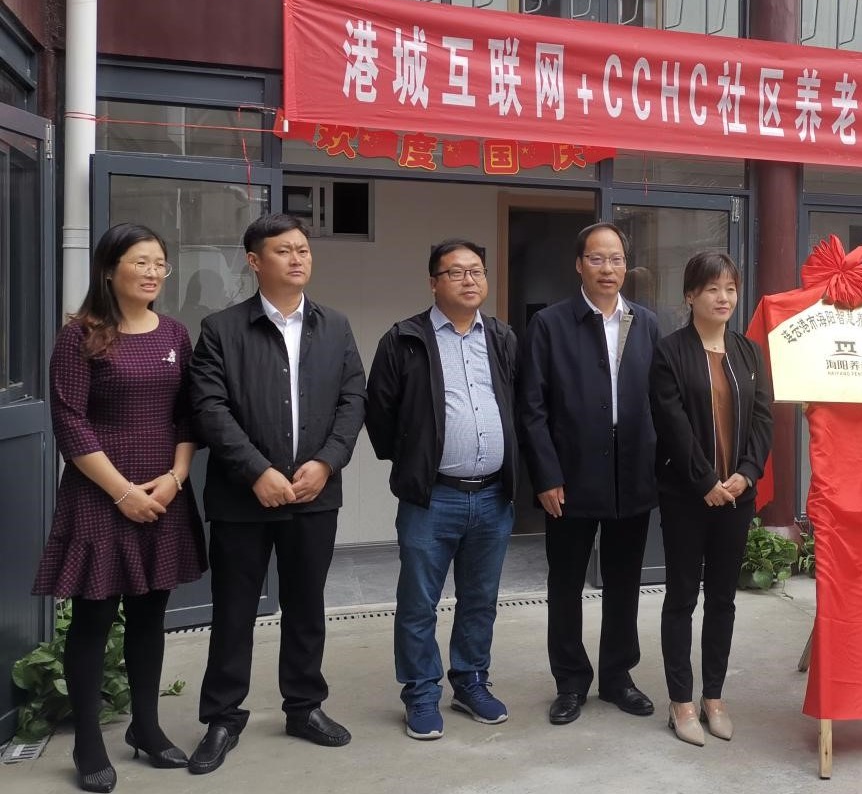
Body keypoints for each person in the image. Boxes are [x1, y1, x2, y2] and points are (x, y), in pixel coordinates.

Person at [187, 213, 366, 773]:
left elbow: (353, 400)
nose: (297, 258)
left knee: (307, 607)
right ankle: (222, 718)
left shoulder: (334, 325)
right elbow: (209, 407)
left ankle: (305, 707)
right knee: (234, 611)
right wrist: (256, 471)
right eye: (284, 250)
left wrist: (327, 461)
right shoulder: (221, 328)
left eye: (303, 249)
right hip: (243, 498)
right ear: (254, 261)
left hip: (315, 493)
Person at [31, 223, 206, 793]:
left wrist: (175, 478)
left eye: (160, 263)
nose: (153, 273)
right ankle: (88, 741)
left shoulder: (175, 333)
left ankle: (146, 728)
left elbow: (187, 415)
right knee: (94, 617)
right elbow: (69, 420)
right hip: (100, 494)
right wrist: (123, 492)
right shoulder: (81, 335)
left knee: (151, 615)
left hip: (163, 493)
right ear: (110, 270)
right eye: (141, 262)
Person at [365, 239, 519, 740]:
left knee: (481, 599)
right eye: (456, 272)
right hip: (433, 497)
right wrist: (415, 459)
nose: (469, 280)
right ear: (433, 282)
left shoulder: (501, 337)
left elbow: (518, 403)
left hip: (493, 495)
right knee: (418, 602)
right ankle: (421, 692)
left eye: (477, 271)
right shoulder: (404, 339)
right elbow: (379, 414)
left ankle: (471, 681)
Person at [517, 222, 661, 726]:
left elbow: (662, 401)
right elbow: (531, 407)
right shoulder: (550, 324)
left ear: (626, 266)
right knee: (566, 583)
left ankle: (618, 677)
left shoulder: (646, 323)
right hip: (570, 475)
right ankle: (571, 682)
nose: (607, 269)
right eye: (597, 259)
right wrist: (545, 475)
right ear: (578, 264)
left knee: (625, 582)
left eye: (616, 259)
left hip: (632, 473)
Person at [649, 251, 772, 746]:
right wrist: (705, 482)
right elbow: (672, 424)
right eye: (712, 289)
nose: (723, 298)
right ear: (690, 296)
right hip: (687, 496)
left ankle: (714, 697)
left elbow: (763, 418)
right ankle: (681, 701)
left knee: (723, 599)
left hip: (737, 497)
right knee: (682, 598)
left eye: (730, 288)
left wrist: (747, 473)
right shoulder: (669, 352)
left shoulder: (747, 352)